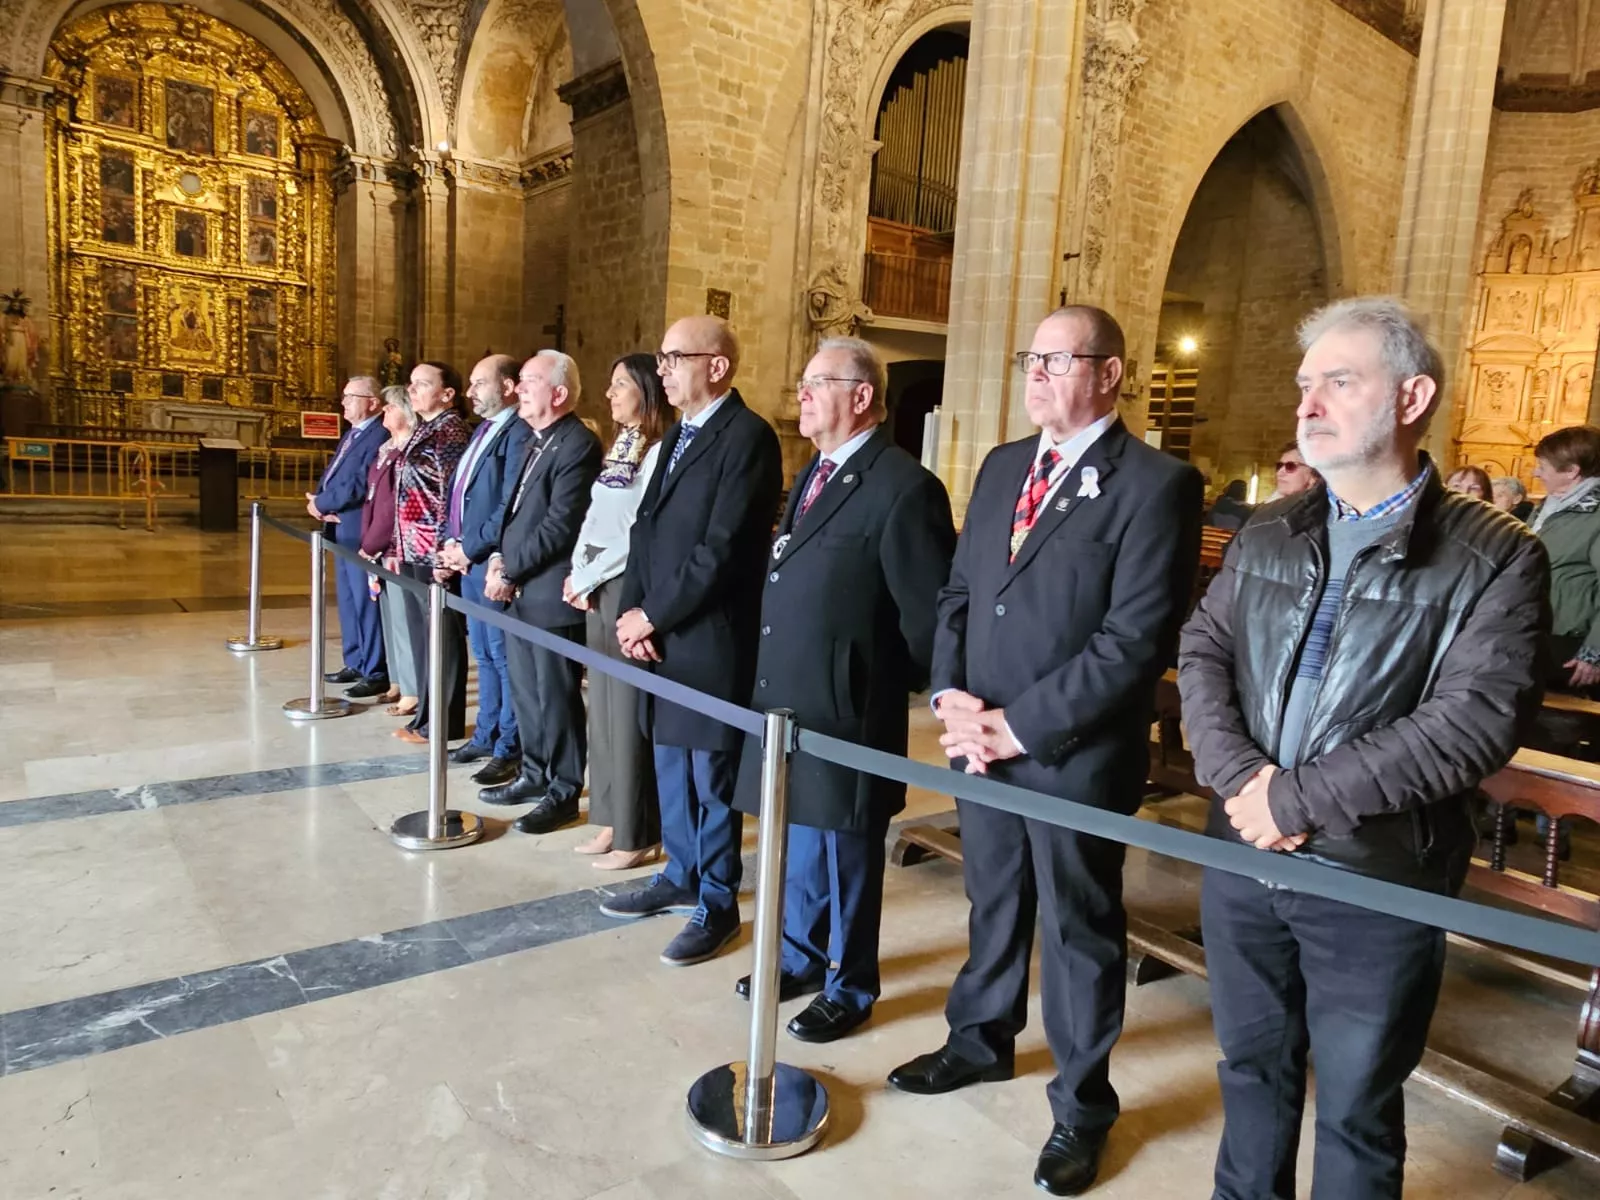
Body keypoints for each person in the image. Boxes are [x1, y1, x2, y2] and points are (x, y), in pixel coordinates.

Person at [1177, 297, 1548, 1200]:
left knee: (1356, 1106)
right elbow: (1204, 652)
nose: (1308, 404)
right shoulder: (1272, 528)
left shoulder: (1496, 556)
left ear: (1413, 397)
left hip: (1374, 876)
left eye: (1339, 382)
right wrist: (1243, 783)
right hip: (1243, 851)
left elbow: (1470, 723)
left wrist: (1292, 802)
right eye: (1305, 384)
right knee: (1250, 1072)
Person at [887, 306, 1203, 1197]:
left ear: (1110, 373)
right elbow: (960, 593)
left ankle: (1082, 1106)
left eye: (1056, 360)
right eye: (1031, 356)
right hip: (978, 737)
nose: (1034, 372)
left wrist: (1017, 725)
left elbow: (1134, 641)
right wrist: (949, 694)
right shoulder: (1002, 466)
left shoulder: (1158, 484)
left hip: (1071, 752)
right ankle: (979, 1040)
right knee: (992, 900)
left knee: (1076, 927)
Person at [728, 336, 956, 1042]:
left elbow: (927, 618)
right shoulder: (814, 473)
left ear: (861, 396)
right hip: (791, 700)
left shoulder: (904, 486)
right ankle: (799, 956)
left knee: (846, 854)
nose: (801, 393)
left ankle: (849, 983)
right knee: (800, 841)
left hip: (850, 710)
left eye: (816, 382)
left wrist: (870, 681)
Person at [598, 315, 783, 968]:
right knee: (670, 764)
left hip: (709, 637)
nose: (664, 369)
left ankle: (717, 901)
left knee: (711, 776)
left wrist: (654, 615)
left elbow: (723, 548)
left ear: (718, 366)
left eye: (674, 357)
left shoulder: (748, 437)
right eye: (662, 357)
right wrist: (632, 612)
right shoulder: (678, 433)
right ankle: (680, 873)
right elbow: (645, 531)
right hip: (662, 632)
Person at [478, 352, 603, 835]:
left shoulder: (577, 444)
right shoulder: (531, 439)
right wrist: (497, 557)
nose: (520, 389)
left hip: (549, 592)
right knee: (527, 693)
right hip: (519, 589)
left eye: (530, 381)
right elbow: (511, 512)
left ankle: (563, 790)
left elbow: (560, 526)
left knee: (556, 698)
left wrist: (510, 569)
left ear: (559, 392)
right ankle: (533, 774)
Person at [564, 354, 671, 870]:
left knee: (627, 715)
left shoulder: (658, 451)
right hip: (596, 583)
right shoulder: (623, 446)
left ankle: (637, 831)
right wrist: (577, 571)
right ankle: (609, 818)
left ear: (647, 391)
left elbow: (639, 530)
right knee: (603, 709)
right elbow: (597, 515)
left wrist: (591, 573)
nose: (609, 394)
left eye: (620, 384)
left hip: (624, 583)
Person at [434, 355, 532, 787]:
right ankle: (486, 732)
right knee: (484, 654)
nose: (470, 391)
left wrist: (470, 548)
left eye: (479, 383)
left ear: (508, 387)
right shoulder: (482, 430)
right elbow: (458, 494)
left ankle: (508, 745)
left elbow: (506, 504)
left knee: (503, 656)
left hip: (489, 559)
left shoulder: (518, 432)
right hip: (467, 558)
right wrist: (448, 543)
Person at [393, 362, 470, 744]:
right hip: (411, 547)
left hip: (431, 550)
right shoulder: (426, 428)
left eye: (422, 384)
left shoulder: (450, 430)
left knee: (441, 639)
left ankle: (442, 722)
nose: (412, 390)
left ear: (447, 393)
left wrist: (443, 551)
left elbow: (450, 496)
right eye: (411, 383)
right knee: (423, 639)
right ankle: (424, 717)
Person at [307, 377, 389, 698]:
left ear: (373, 402)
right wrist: (321, 500)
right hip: (340, 526)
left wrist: (322, 503)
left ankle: (375, 670)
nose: (343, 402)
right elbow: (336, 474)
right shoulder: (354, 433)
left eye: (350, 396)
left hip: (359, 529)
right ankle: (355, 660)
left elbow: (358, 483)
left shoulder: (379, 434)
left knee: (366, 600)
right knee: (348, 599)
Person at [359, 385, 418, 716]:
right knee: (389, 617)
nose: (384, 411)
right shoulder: (386, 448)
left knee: (404, 622)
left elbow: (391, 508)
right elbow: (373, 498)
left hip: (395, 546)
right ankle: (397, 679)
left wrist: (373, 542)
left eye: (391, 406)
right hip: (377, 544)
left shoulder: (408, 451)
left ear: (407, 412)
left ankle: (412, 688)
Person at [1530, 425, 1600, 696]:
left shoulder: (1594, 516)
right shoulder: (1548, 508)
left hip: (1569, 644)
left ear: (1571, 471)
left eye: (1543, 467)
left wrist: (1594, 652)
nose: (1536, 473)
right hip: (1533, 631)